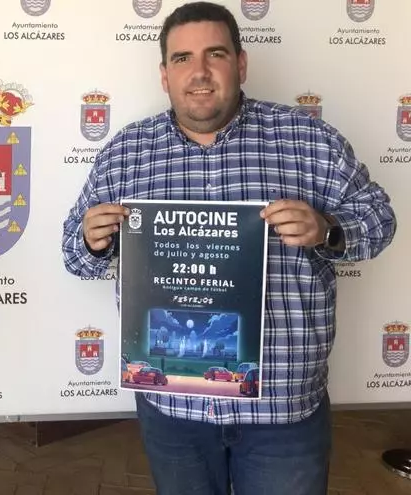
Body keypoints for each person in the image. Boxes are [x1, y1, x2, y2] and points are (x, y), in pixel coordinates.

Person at [61, 2, 396, 494]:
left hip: (281, 408)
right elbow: (74, 254)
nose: (199, 71)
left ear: (240, 63)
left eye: (214, 54)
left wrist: (329, 230)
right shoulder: (125, 152)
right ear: (164, 75)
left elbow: (380, 219)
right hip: (172, 409)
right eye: (182, 58)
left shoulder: (309, 140)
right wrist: (92, 241)